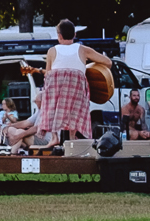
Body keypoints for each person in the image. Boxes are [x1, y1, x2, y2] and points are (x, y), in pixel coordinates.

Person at [34, 20, 107, 151]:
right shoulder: (83, 49)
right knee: (75, 108)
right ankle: (73, 138)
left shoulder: (52, 50)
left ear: (59, 35)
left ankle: (54, 136)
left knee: (51, 105)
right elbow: (108, 62)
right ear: (74, 34)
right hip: (76, 83)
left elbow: (48, 73)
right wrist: (88, 68)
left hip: (55, 84)